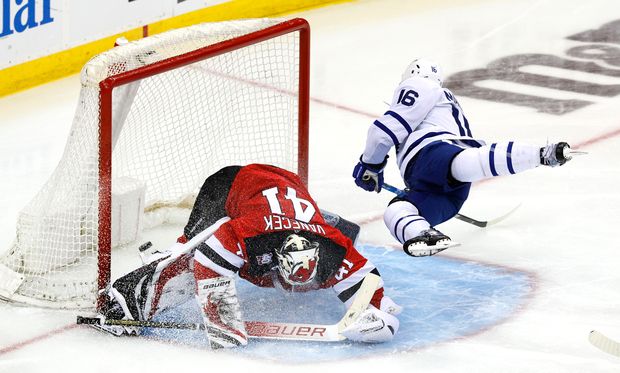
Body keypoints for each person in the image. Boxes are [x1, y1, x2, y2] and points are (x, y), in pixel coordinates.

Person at [97, 164, 401, 348]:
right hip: (230, 186)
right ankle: (125, 300)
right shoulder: (253, 235)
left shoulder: (336, 247)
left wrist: (374, 319)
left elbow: (370, 291)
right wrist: (222, 321)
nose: (294, 289)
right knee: (190, 253)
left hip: (288, 187)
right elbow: (207, 260)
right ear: (277, 257)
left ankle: (326, 218)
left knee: (350, 234)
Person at [352, 58, 574, 257]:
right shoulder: (446, 102)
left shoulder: (419, 84)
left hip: (431, 156)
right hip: (445, 191)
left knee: (458, 165)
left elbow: (382, 133)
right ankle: (425, 234)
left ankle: (541, 154)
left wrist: (370, 164)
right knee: (398, 209)